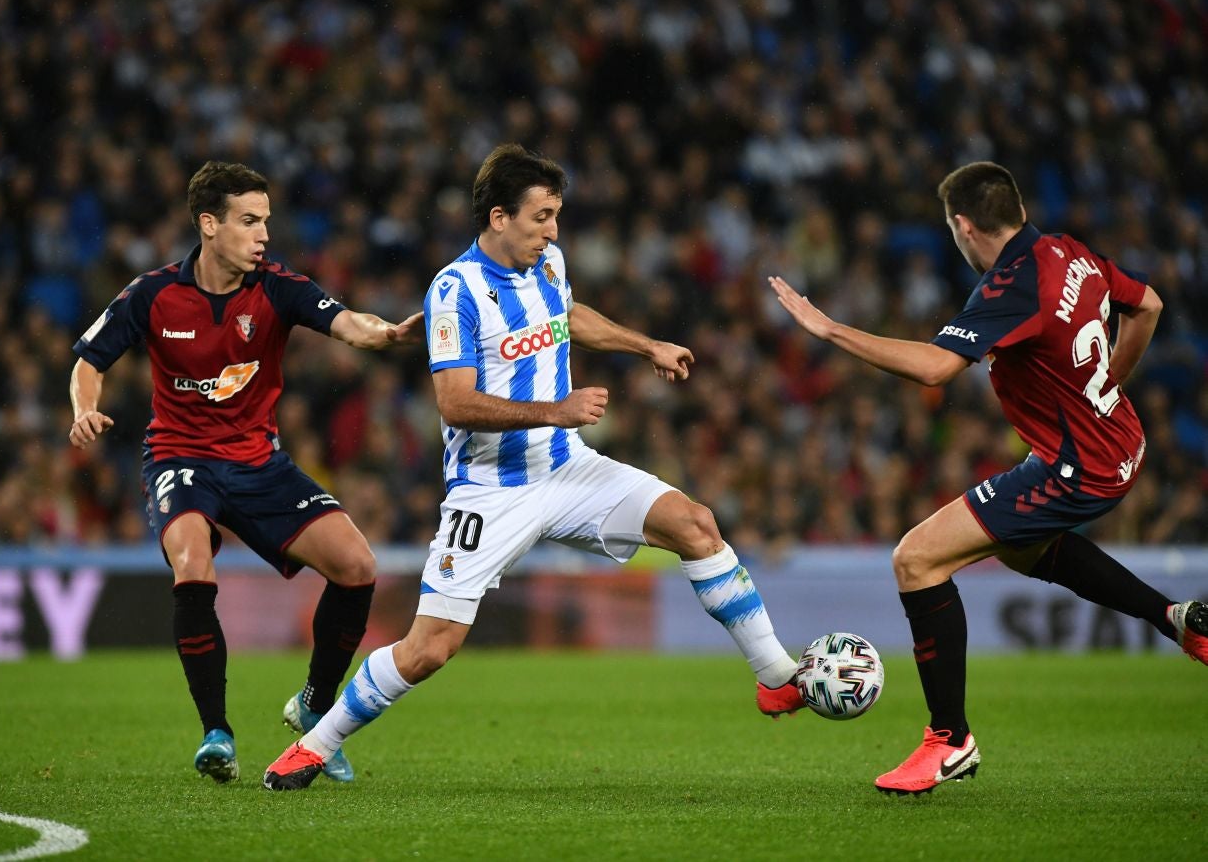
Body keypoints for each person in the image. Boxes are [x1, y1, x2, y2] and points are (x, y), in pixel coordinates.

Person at [262, 143, 803, 791]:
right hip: (490, 489)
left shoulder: (549, 263)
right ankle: (314, 746)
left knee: (694, 523)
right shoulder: (454, 290)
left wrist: (644, 345)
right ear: (498, 217)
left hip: (567, 467)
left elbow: (566, 317)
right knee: (430, 648)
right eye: (542, 216)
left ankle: (775, 677)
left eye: (556, 216)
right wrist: (556, 408)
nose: (553, 230)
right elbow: (455, 402)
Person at [768, 161, 1207, 796]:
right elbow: (1149, 306)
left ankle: (950, 740)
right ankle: (1177, 618)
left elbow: (935, 369)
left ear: (964, 226)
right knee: (1026, 551)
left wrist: (830, 328)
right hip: (1120, 441)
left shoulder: (1012, 285)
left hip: (1077, 465)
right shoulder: (1068, 252)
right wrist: (1105, 384)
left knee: (916, 560)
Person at [69, 161, 421, 783]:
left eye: (267, 221)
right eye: (249, 221)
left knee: (357, 566)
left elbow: (347, 323)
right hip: (181, 458)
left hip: (259, 463)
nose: (263, 234)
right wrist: (85, 410)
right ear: (209, 225)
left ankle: (315, 705)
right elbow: (89, 359)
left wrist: (385, 332)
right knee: (191, 564)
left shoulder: (278, 288)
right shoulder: (152, 293)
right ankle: (217, 733)